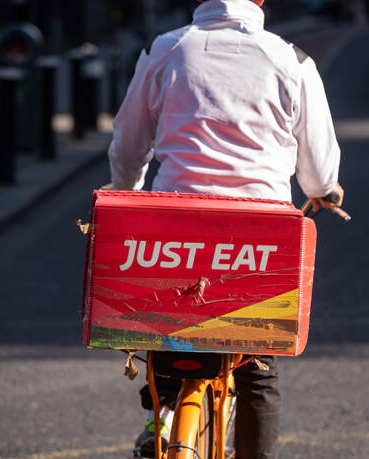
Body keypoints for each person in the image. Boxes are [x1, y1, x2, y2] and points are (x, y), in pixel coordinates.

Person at [105, 0, 344, 457]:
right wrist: (325, 188)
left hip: (175, 226)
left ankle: (161, 414)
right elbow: (316, 166)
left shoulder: (166, 50)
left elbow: (129, 144)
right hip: (261, 231)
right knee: (257, 367)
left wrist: (126, 189)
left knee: (166, 320)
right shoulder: (290, 60)